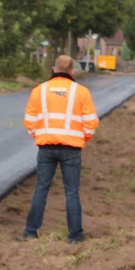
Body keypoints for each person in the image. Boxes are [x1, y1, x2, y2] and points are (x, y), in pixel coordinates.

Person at [19, 55, 98, 244]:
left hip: (46, 147)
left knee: (41, 189)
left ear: (54, 69)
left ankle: (30, 232)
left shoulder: (39, 90)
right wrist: (81, 138)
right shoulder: (82, 92)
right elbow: (91, 124)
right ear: (72, 71)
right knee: (72, 192)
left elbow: (29, 121)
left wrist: (40, 136)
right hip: (71, 149)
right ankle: (75, 237)